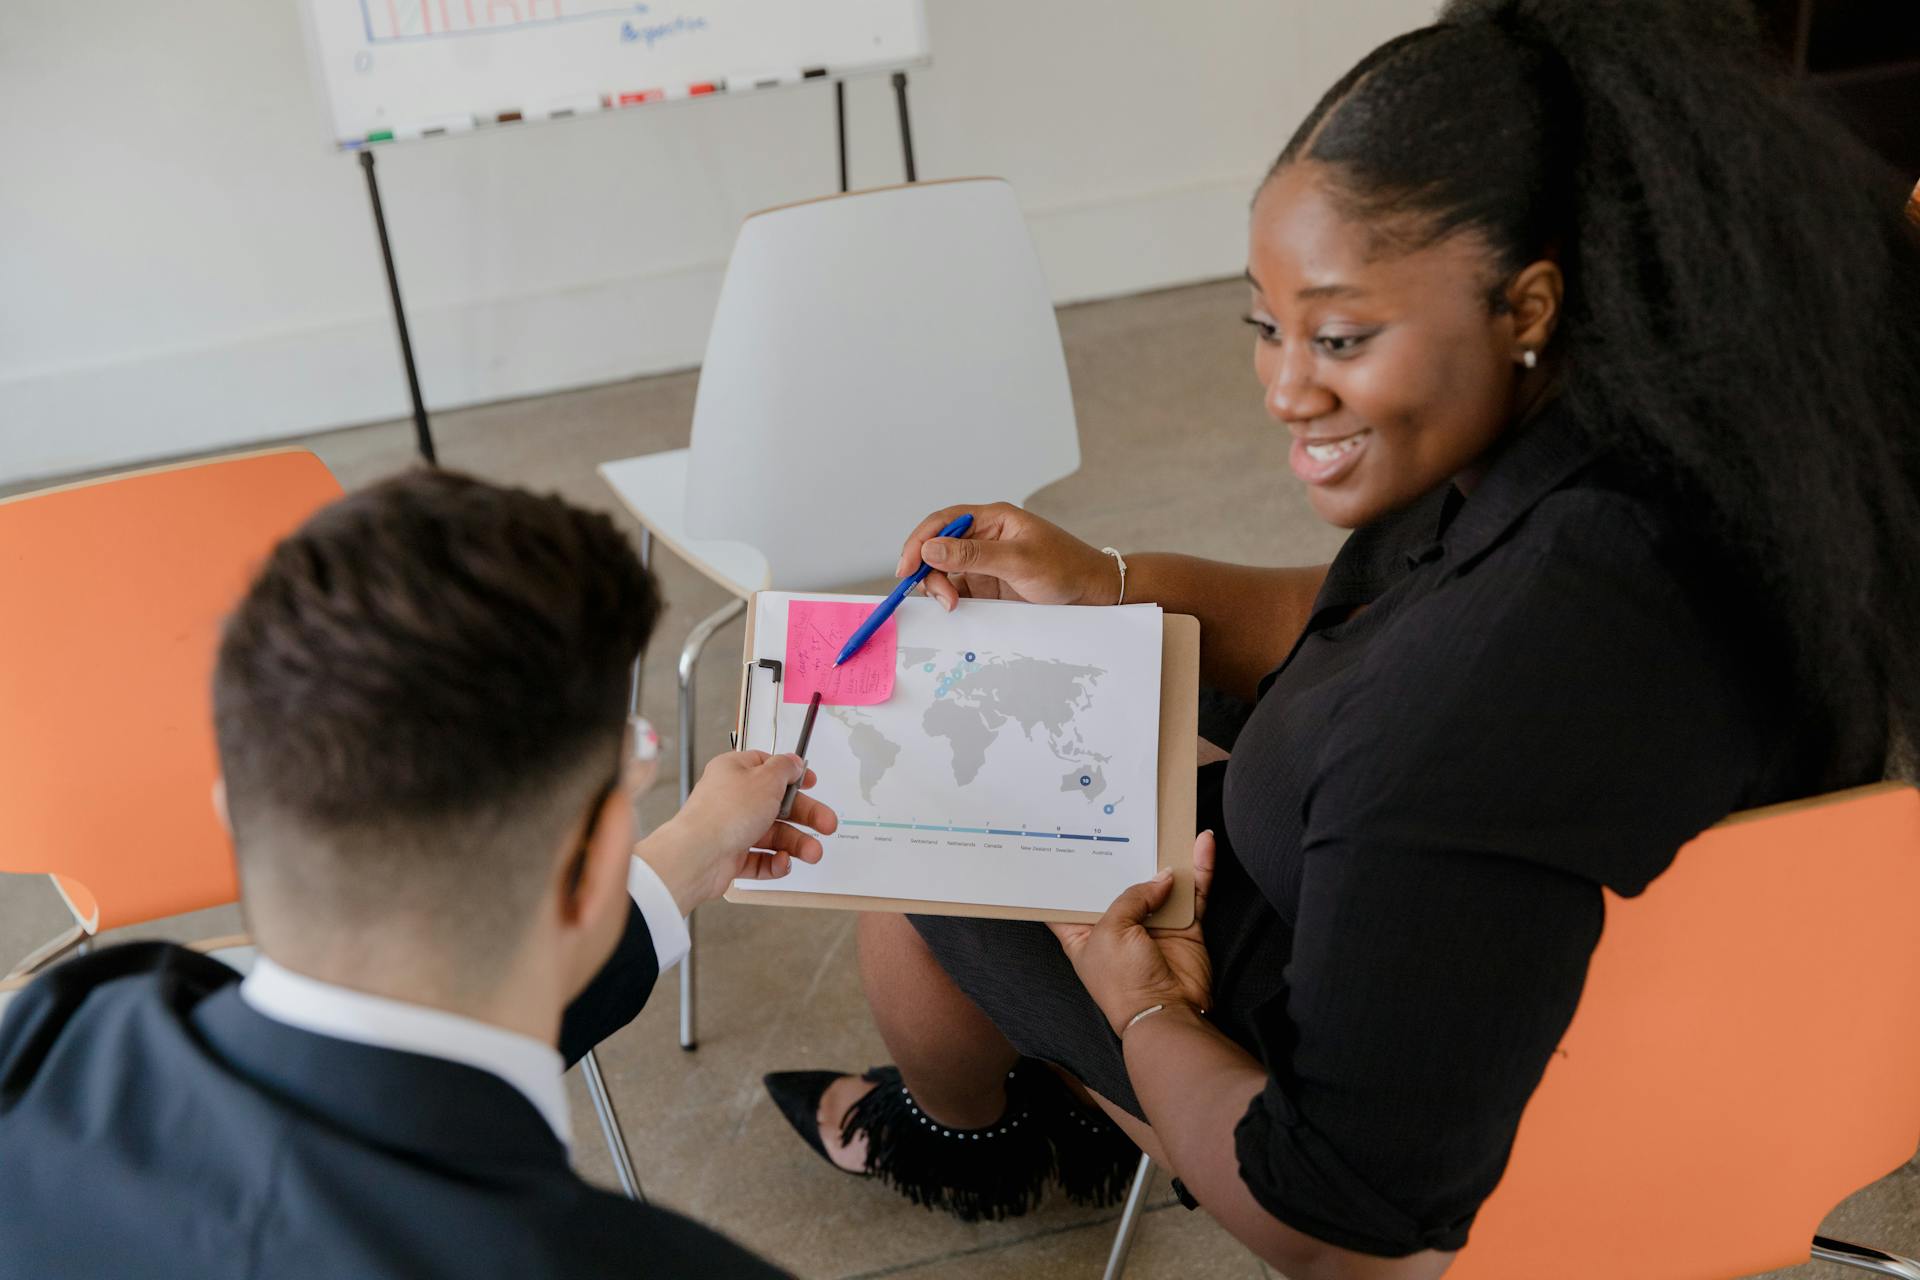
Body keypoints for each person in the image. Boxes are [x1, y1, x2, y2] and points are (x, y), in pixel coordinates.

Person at [764, 0, 1920, 1275]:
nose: (1282, 389)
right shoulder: (1676, 460)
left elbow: (1328, 1220)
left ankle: (956, 1133)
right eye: (1265, 325)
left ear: (1529, 297)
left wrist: (1142, 1005)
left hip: (1410, 1107)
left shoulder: (1471, 703)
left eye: (1341, 335)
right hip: (1737, 1044)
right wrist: (1105, 585)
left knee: (918, 848)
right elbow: (1368, 616)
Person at [0, 470, 836, 1279]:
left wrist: (683, 857)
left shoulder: (54, 1037)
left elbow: (403, 1048)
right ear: (586, 869)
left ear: (233, 811)